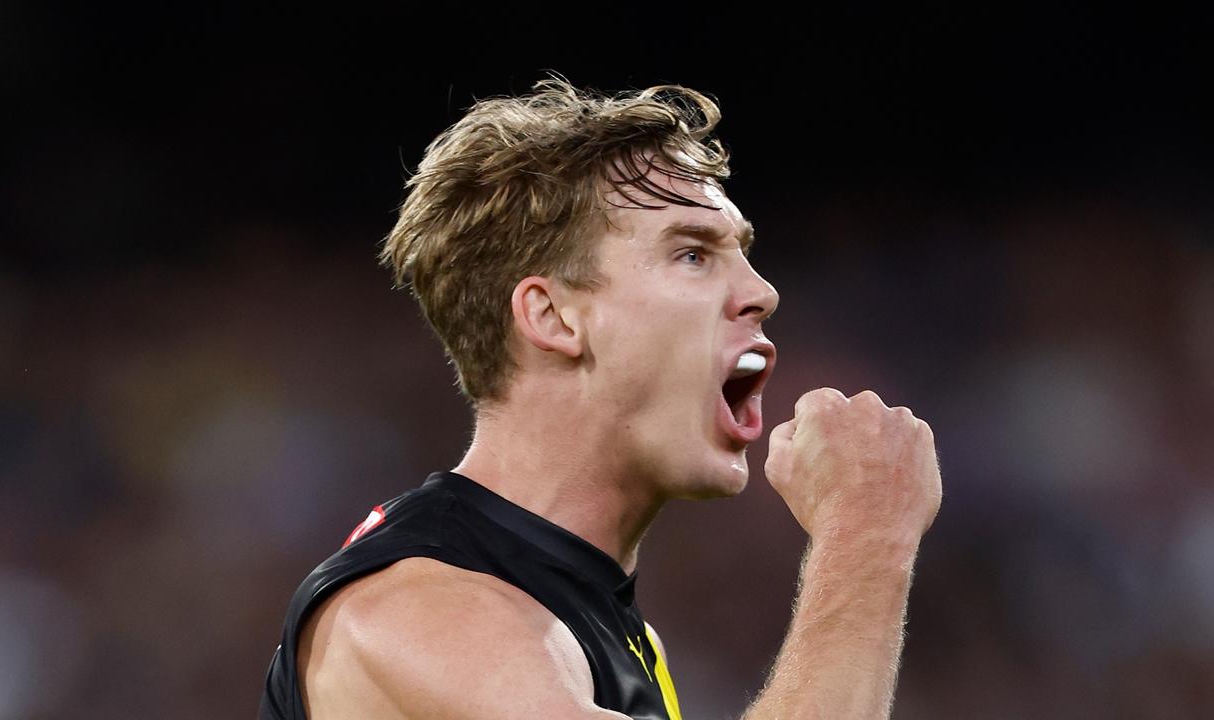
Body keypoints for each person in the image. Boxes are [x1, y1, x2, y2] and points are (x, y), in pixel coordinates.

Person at [259, 76, 942, 720]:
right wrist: (865, 534)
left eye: (741, 252)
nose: (762, 291)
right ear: (554, 318)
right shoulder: (426, 609)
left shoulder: (595, 627)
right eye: (693, 254)